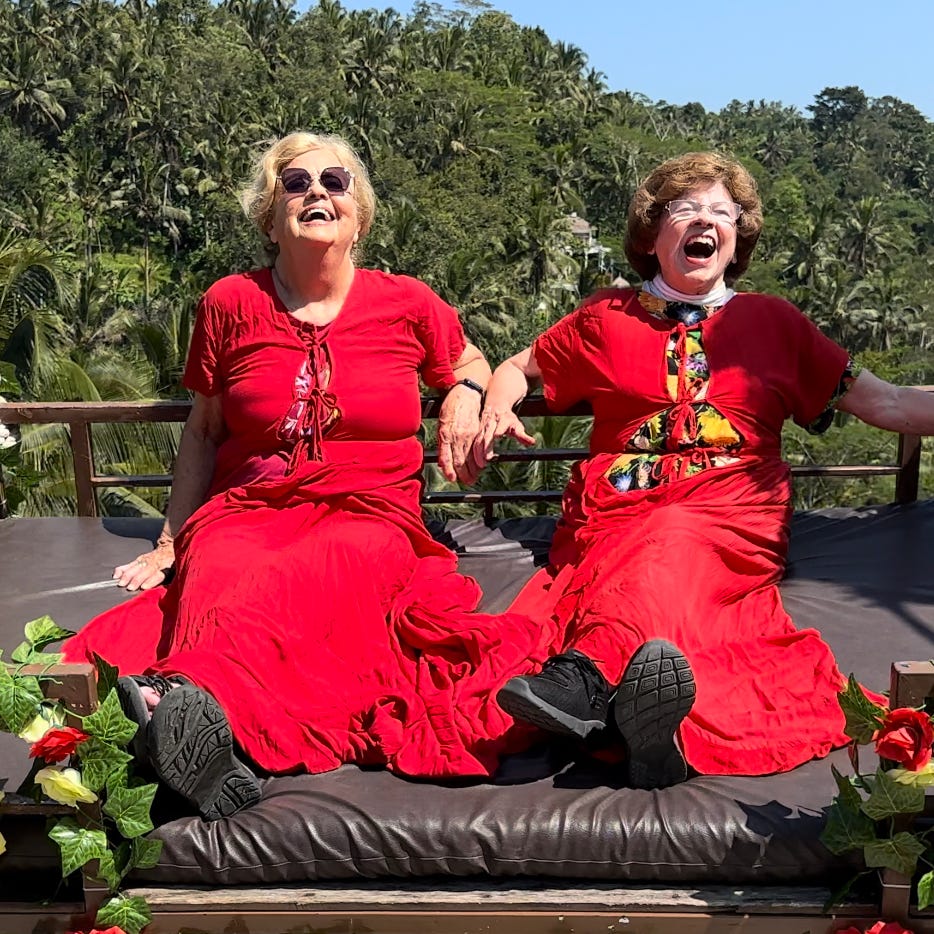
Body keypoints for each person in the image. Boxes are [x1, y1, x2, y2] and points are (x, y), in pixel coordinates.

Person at [62, 131, 554, 819]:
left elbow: (470, 363)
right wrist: (173, 540)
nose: (317, 192)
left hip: (369, 513)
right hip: (246, 508)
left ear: (360, 212)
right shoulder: (230, 303)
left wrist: (464, 400)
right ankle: (201, 729)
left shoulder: (408, 303)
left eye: (335, 180)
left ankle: (183, 713)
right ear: (271, 214)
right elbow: (204, 432)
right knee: (229, 565)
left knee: (329, 563)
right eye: (296, 183)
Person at [473, 151, 934, 791]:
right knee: (646, 551)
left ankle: (584, 679)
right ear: (652, 233)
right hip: (613, 511)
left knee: (670, 538)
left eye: (722, 211)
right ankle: (642, 732)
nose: (706, 221)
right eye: (685, 209)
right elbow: (517, 368)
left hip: (731, 512)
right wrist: (492, 405)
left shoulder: (774, 322)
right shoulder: (604, 318)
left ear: (738, 236)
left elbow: (884, 402)